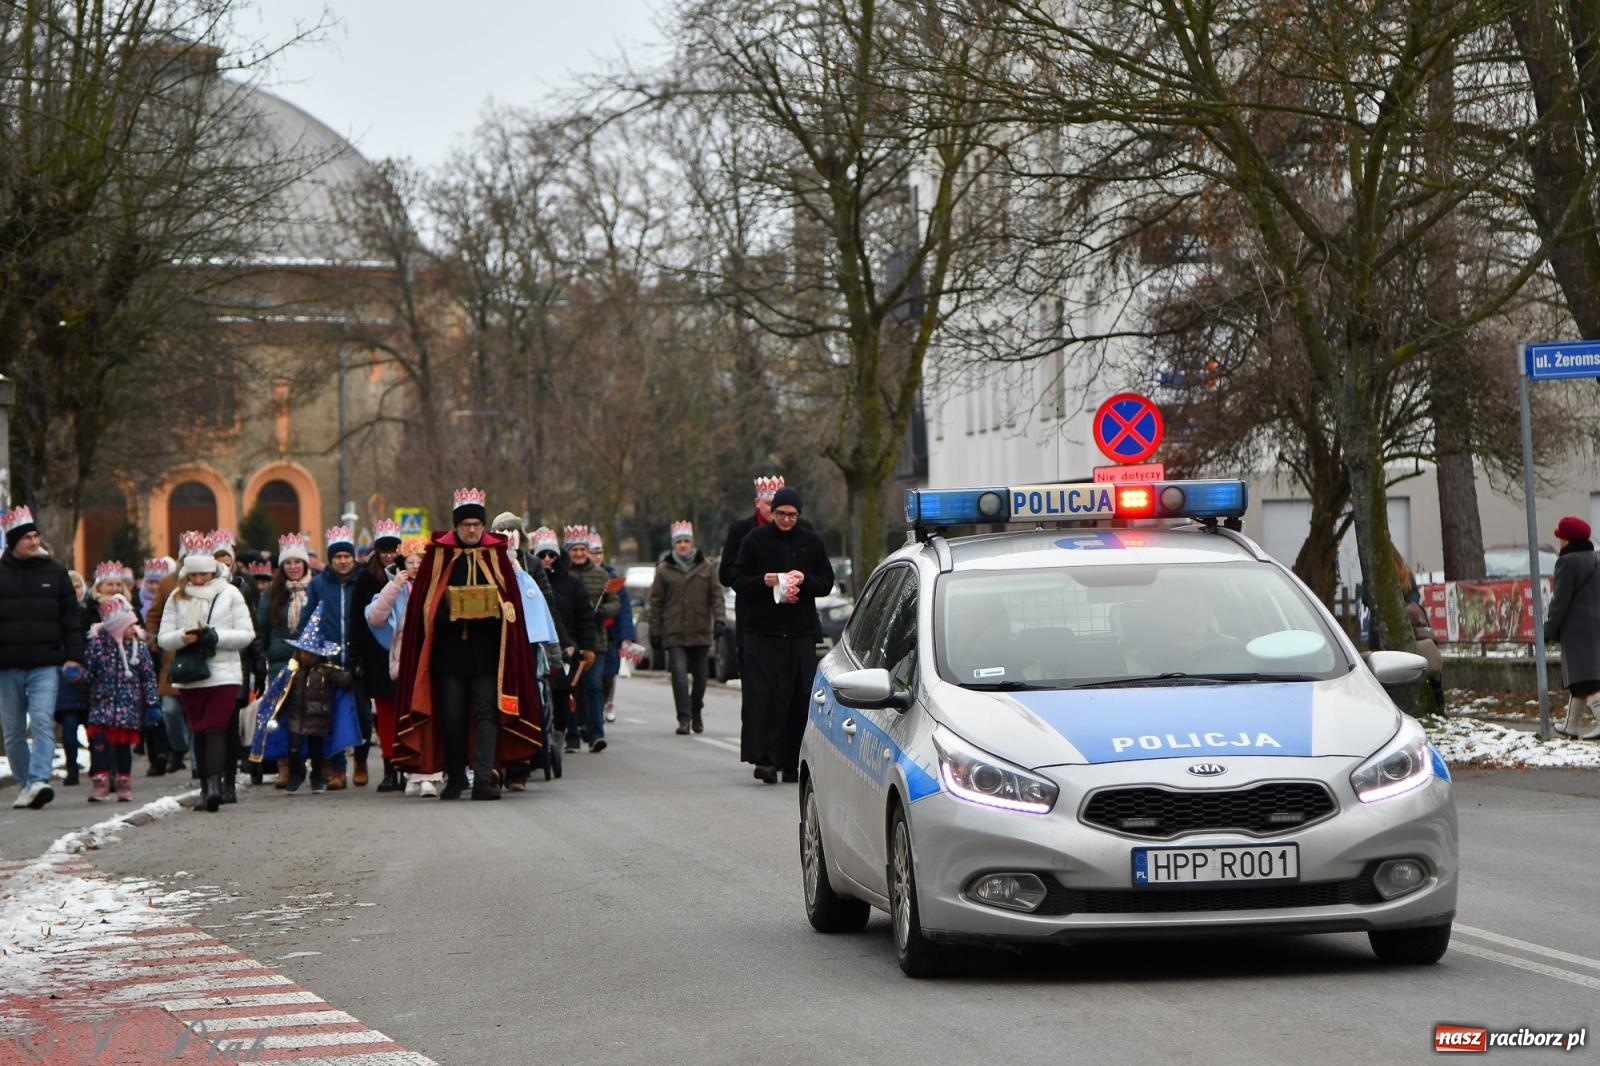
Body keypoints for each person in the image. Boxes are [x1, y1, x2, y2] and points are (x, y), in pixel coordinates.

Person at [392, 488, 544, 800]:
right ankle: (457, 776)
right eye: (466, 525)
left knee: (486, 713)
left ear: (483, 525)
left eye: (476, 524)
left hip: (488, 654)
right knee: (452, 715)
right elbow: (425, 606)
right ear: (456, 526)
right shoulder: (439, 555)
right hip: (449, 654)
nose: (472, 530)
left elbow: (511, 604)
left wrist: (496, 610)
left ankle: (484, 779)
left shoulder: (497, 555)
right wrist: (448, 610)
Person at [731, 486, 833, 784]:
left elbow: (825, 582)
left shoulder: (811, 541)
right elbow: (737, 578)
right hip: (762, 632)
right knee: (763, 697)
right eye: (780, 514)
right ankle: (763, 758)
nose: (786, 520)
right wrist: (764, 581)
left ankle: (793, 761)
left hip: (799, 632)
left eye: (791, 515)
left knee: (798, 698)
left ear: (799, 515)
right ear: (772, 513)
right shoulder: (754, 540)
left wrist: (805, 579)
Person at [156, 532, 256, 812]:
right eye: (194, 575)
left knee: (215, 727)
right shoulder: (177, 597)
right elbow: (163, 637)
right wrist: (182, 638)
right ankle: (204, 787)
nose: (199, 580)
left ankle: (215, 786)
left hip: (224, 673)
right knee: (198, 729)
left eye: (204, 575)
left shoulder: (230, 593)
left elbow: (247, 634)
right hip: (191, 675)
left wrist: (214, 636)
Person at [0, 506, 84, 810]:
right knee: (12, 731)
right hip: (6, 666)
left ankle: (38, 780)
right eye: (27, 538)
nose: (34, 542)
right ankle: (26, 785)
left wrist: (74, 657)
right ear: (12, 541)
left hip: (46, 664)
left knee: (41, 721)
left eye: (36, 536)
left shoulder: (56, 573)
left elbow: (70, 620)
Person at [492, 513, 563, 789]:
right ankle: (497, 764)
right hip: (495, 647)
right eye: (502, 532)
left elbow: (544, 607)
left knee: (528, 703)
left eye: (512, 532)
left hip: (526, 648)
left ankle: (521, 764)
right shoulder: (485, 565)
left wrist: (555, 647)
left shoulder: (530, 568)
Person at [366, 536, 440, 796]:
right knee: (406, 718)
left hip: (433, 661)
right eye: (411, 561)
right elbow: (375, 618)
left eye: (421, 561)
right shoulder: (394, 589)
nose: (416, 566)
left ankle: (430, 773)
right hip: (405, 662)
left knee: (430, 718)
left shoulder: (436, 587)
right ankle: (411, 772)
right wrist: (394, 586)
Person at [298, 525, 364, 789]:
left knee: (361, 714)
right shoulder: (317, 585)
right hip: (329, 659)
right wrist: (311, 650)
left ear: (353, 557)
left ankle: (360, 758)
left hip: (358, 657)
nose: (343, 561)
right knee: (333, 716)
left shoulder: (363, 581)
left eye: (347, 556)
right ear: (331, 559)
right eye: (338, 557)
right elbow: (309, 619)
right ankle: (338, 770)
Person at [649, 520, 726, 735]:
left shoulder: (707, 567)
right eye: (679, 542)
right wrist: (654, 631)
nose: (683, 545)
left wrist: (719, 619)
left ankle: (696, 709)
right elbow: (656, 602)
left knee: (701, 677)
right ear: (674, 544)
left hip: (700, 630)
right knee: (679, 675)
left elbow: (716, 596)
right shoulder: (664, 570)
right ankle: (683, 718)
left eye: (686, 541)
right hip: (673, 631)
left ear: (691, 543)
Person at [83, 594, 160, 802]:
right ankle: (100, 782)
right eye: (128, 626)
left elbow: (148, 677)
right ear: (116, 628)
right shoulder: (98, 647)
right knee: (99, 745)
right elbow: (89, 673)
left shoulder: (139, 649)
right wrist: (79, 676)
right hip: (102, 704)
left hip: (128, 707)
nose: (133, 629)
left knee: (123, 746)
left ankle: (123, 781)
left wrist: (152, 702)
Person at [275, 604, 355, 795]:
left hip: (318, 718)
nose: (308, 656)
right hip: (296, 717)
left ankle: (316, 777)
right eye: (305, 652)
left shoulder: (327, 670)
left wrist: (354, 672)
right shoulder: (292, 671)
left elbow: (343, 680)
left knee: (316, 752)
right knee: (293, 749)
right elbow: (281, 692)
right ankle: (296, 774)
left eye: (312, 653)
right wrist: (277, 711)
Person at [256, 533, 315, 787]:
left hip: (310, 661)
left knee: (310, 713)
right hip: (280, 661)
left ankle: (317, 763)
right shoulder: (272, 593)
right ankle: (284, 766)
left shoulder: (315, 588)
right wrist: (268, 653)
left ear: (305, 564)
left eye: (297, 562)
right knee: (278, 715)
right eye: (288, 563)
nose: (293, 567)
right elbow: (262, 629)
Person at [536, 526, 597, 755]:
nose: (547, 559)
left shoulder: (572, 584)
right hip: (537, 643)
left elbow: (584, 618)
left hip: (565, 646)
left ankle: (561, 735)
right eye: (542, 555)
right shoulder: (531, 580)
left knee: (563, 692)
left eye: (552, 555)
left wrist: (585, 647)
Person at [353, 518, 404, 791]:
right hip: (377, 657)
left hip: (405, 654)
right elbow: (357, 622)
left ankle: (408, 766)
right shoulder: (366, 578)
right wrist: (357, 656)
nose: (388, 556)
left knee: (406, 712)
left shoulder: (410, 573)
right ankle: (389, 768)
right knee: (384, 715)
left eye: (393, 550)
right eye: (384, 550)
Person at [1545, 515, 1600, 739]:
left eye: (1560, 537)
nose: (1558, 541)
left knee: (1586, 679)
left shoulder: (1566, 562)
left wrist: (1549, 628)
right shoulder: (1595, 559)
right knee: (1580, 678)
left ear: (1567, 540)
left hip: (1577, 628)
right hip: (1595, 625)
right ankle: (1571, 726)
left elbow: (1560, 601)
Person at [565, 525, 619, 752]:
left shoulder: (601, 575)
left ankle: (597, 733)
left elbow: (615, 603)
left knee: (594, 686)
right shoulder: (563, 574)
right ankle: (573, 736)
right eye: (574, 549)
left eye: (581, 549)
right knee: (570, 689)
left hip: (596, 642)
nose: (578, 553)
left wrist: (603, 612)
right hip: (570, 641)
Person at [588, 531, 634, 724]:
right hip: (589, 631)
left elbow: (623, 609)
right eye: (593, 552)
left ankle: (608, 701)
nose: (596, 556)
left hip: (610, 633)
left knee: (609, 673)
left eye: (599, 553)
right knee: (593, 677)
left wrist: (627, 636)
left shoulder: (613, 578)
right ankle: (593, 710)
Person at [54, 567, 91, 786]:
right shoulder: (55, 615)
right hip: (66, 676)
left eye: (77, 586)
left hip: (90, 675)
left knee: (92, 726)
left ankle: (98, 765)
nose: (73, 590)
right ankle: (72, 767)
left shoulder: (90, 612)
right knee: (69, 723)